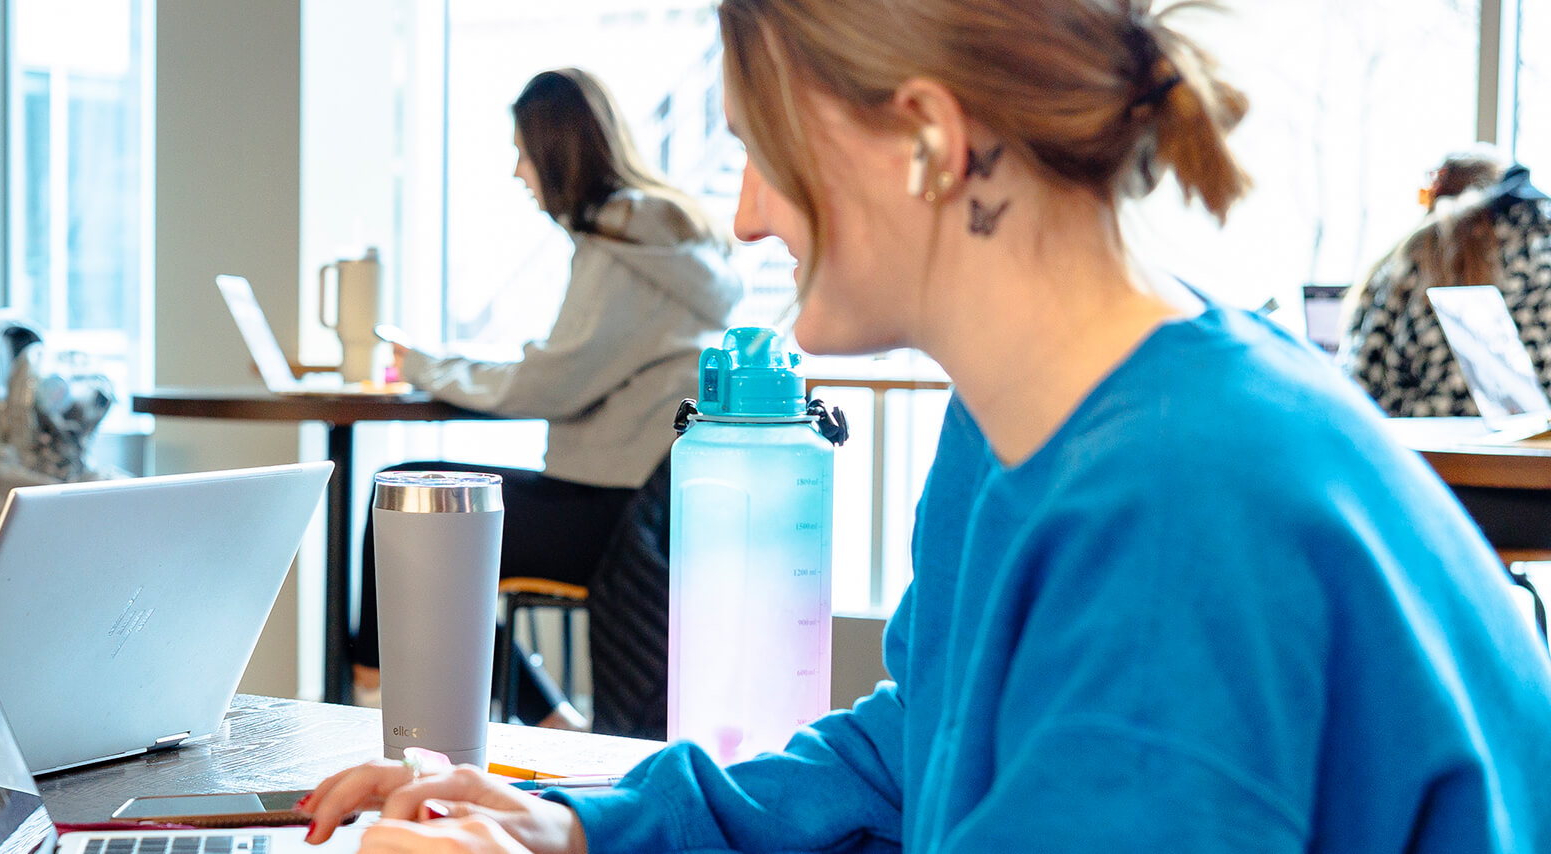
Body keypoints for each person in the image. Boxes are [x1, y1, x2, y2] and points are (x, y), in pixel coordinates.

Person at [302, 0, 1551, 850]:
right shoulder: (1039, 423)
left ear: (924, 143)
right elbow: (921, 747)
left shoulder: (1179, 509)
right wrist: (580, 822)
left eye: (759, 151)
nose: (741, 218)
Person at [352, 67, 742, 729]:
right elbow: (575, 364)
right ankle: (542, 715)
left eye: (523, 155)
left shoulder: (621, 243)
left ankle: (372, 688)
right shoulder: (666, 241)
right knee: (432, 517)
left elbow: (551, 382)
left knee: (410, 499)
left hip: (613, 519)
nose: (517, 174)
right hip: (648, 507)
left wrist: (423, 365)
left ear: (557, 154)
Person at [1342, 147, 1551, 417]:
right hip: (1532, 450)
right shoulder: (1540, 243)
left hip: (1418, 447)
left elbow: (1360, 378)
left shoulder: (1414, 253)